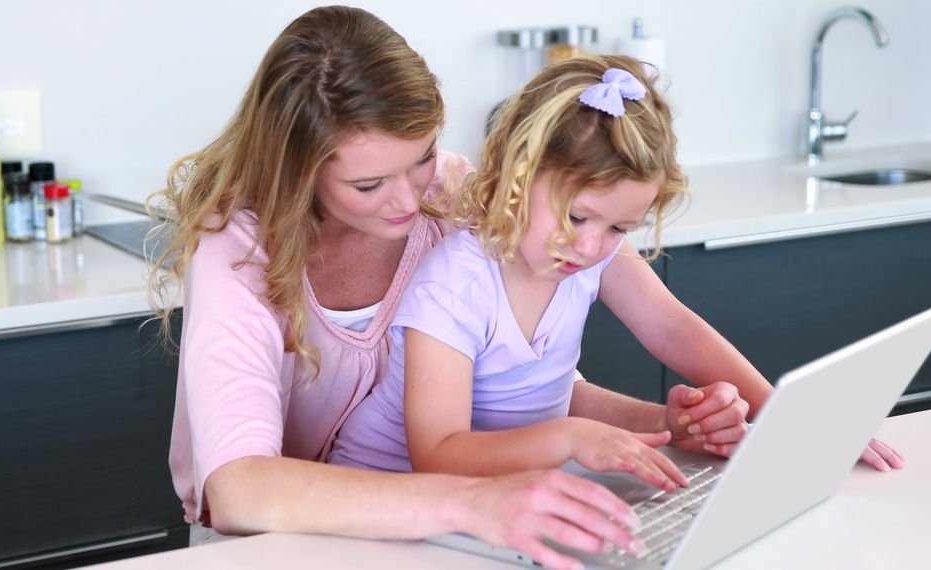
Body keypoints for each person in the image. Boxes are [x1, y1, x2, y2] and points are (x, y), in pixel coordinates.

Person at [149, 7, 651, 569]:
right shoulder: (237, 252)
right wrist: (468, 503)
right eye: (368, 184)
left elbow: (521, 388)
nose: (411, 202)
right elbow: (240, 492)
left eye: (422, 158)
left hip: (434, 528)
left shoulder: (456, 192)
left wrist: (663, 424)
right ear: (297, 169)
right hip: (276, 545)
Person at [329, 56, 757, 485]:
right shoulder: (453, 287)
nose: (590, 246)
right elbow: (438, 456)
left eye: (619, 228)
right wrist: (569, 438)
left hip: (496, 492)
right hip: (385, 492)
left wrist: (771, 414)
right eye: (575, 216)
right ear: (518, 175)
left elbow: (673, 328)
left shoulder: (587, 249)